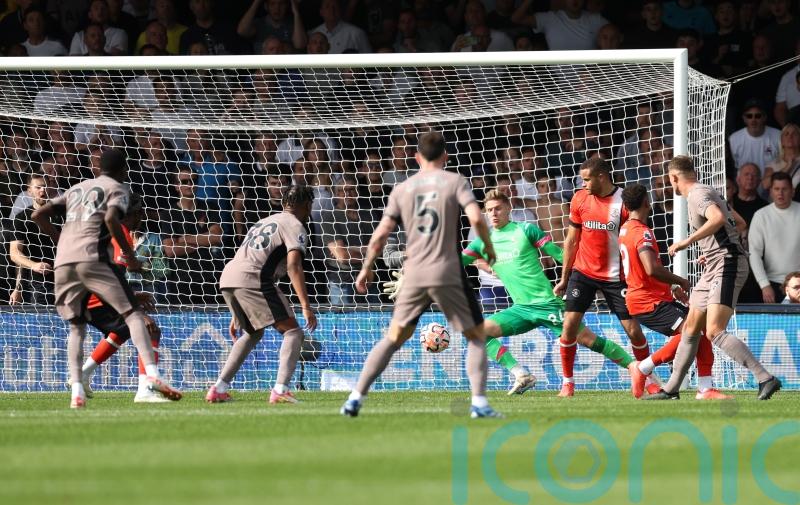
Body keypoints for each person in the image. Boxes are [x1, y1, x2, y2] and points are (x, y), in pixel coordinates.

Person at [342, 131, 501, 418]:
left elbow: (380, 236)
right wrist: (488, 249)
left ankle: (354, 398)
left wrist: (366, 269)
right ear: (446, 156)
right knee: (476, 337)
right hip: (447, 270)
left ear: (416, 158)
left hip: (413, 272)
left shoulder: (402, 188)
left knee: (393, 338)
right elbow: (477, 217)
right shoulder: (455, 181)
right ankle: (479, 404)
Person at [31, 149, 181, 409]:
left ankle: (78, 387)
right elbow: (111, 260)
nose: (141, 217)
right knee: (142, 323)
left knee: (79, 328)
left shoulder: (77, 189)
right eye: (138, 213)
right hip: (94, 279)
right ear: (123, 170)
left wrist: (61, 241)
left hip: (65, 264)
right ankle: (148, 383)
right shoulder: (116, 199)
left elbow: (38, 214)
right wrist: (132, 260)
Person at [462, 190, 645, 396]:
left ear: (509, 209)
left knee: (587, 339)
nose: (494, 214)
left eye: (498, 208)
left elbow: (559, 254)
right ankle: (521, 375)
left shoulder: (526, 230)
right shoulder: (482, 243)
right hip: (521, 309)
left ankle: (635, 367)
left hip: (547, 303)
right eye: (489, 210)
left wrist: (582, 275)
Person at [645, 155, 781, 400]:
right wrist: (711, 250)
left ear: (674, 177)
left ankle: (765, 378)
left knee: (715, 331)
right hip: (716, 262)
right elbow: (738, 223)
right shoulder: (707, 191)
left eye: (670, 180)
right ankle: (671, 388)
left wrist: (688, 242)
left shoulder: (697, 195)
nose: (671, 185)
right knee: (690, 327)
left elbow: (717, 219)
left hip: (727, 265)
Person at [206, 185, 317, 404]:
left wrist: (237, 312)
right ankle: (281, 390)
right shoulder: (295, 225)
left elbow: (254, 258)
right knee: (293, 332)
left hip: (228, 277)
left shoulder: (265, 221)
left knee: (253, 333)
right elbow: (294, 266)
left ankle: (219, 388)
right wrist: (305, 305)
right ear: (307, 205)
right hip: (252, 279)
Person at [620, 183, 730, 400]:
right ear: (646, 203)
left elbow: (641, 269)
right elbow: (651, 269)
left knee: (699, 326)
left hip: (649, 296)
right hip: (647, 301)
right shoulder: (641, 233)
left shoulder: (625, 230)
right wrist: (682, 281)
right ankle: (642, 367)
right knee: (691, 332)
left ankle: (705, 388)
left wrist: (671, 287)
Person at [553, 158, 651, 397]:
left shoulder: (624, 203)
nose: (582, 183)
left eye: (586, 179)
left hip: (616, 277)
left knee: (634, 331)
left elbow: (636, 240)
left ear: (601, 177)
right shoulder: (579, 199)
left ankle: (649, 380)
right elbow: (572, 240)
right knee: (569, 326)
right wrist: (565, 278)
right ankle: (567, 383)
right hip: (583, 272)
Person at [78, 195, 167, 403]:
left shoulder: (103, 231)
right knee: (148, 328)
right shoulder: (121, 234)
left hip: (83, 292)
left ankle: (83, 374)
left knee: (123, 330)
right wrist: (133, 307)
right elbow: (110, 278)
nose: (143, 216)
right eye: (141, 211)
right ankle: (146, 389)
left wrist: (133, 296)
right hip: (94, 296)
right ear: (134, 214)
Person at [748, 172, 800, 302]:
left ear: (792, 191)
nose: (780, 193)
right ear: (770, 191)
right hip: (771, 283)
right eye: (776, 189)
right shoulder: (760, 216)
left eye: (784, 189)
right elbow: (753, 253)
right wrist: (764, 284)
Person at [9, 174, 58, 305]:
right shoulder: (21, 218)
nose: (42, 190)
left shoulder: (62, 215)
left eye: (45, 186)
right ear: (29, 191)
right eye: (38, 187)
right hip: (38, 283)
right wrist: (34, 266)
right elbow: (15, 254)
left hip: (65, 278)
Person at [728, 99, 781, 172]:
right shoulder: (733, 139)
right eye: (749, 116)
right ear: (744, 118)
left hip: (771, 182)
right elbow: (733, 167)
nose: (753, 120)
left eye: (758, 116)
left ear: (764, 117)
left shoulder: (778, 135)